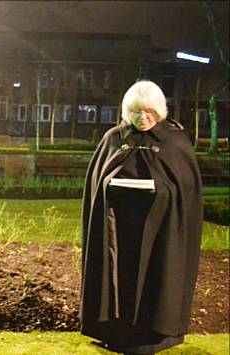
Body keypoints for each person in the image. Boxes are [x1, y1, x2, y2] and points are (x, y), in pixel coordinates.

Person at [80, 80, 203, 354]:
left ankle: (157, 333)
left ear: (159, 111)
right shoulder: (113, 138)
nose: (142, 118)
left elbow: (185, 190)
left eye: (148, 112)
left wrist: (161, 192)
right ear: (127, 111)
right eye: (136, 112)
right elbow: (97, 182)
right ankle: (112, 330)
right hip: (117, 229)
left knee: (157, 276)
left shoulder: (175, 141)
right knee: (116, 277)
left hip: (162, 230)